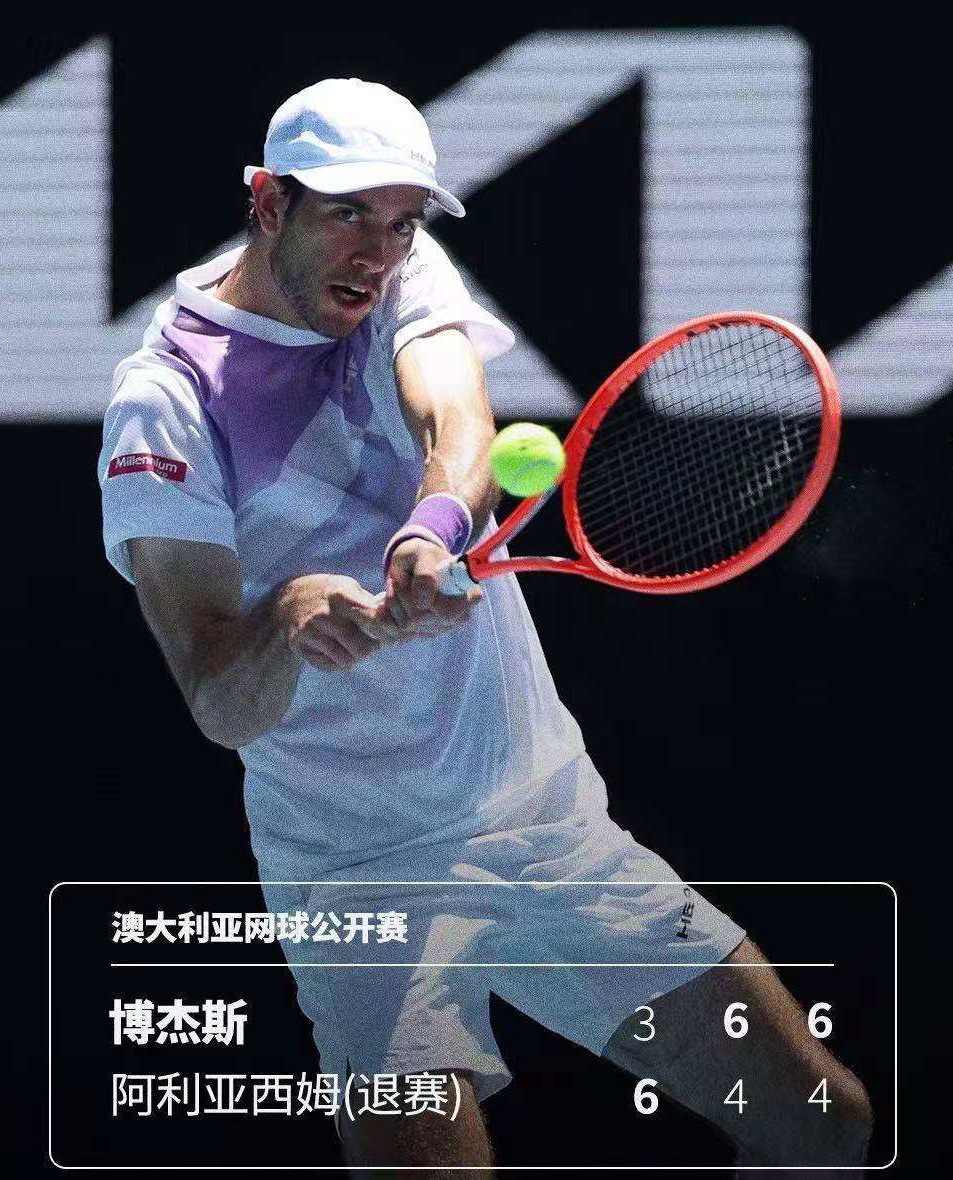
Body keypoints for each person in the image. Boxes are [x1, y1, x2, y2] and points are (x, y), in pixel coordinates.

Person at [98, 77, 872, 1174]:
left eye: (402, 221)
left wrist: (432, 528)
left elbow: (455, 421)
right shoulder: (165, 401)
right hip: (359, 872)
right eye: (348, 214)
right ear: (269, 201)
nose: (377, 252)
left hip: (546, 820)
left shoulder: (399, 275)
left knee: (823, 1126)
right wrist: (288, 611)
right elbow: (220, 701)